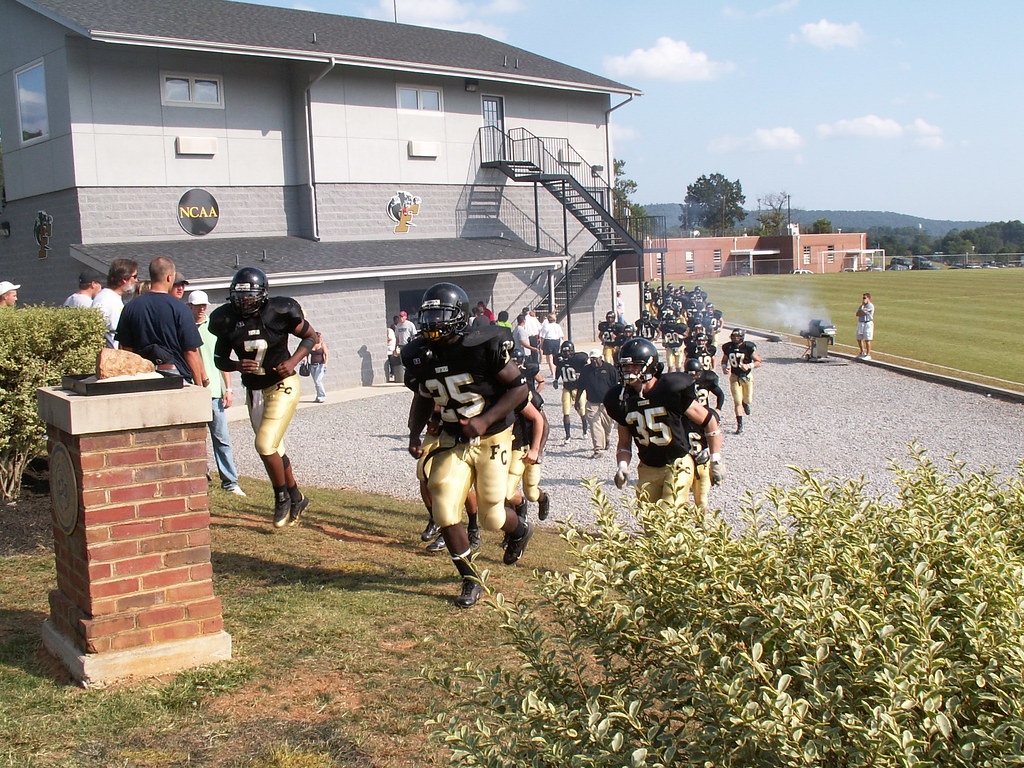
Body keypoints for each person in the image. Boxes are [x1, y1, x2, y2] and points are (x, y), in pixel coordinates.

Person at [402, 282, 533, 609]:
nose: (432, 322)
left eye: (440, 315)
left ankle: (519, 531)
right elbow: (422, 397)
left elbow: (519, 390)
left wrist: (484, 421)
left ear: (458, 317)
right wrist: (414, 434)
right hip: (453, 438)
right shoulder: (419, 354)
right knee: (443, 501)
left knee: (491, 515)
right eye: (428, 315)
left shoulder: (481, 345)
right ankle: (469, 577)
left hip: (493, 436)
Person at [209, 266, 317, 529]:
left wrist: (292, 362)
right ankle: (296, 497)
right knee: (274, 448)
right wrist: (236, 366)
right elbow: (219, 358)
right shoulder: (225, 319)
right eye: (240, 296)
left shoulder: (280, 311)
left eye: (250, 296)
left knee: (265, 444)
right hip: (254, 390)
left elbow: (311, 337)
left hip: (282, 384)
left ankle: (280, 497)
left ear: (263, 295)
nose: (244, 301)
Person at [606, 337, 724, 507]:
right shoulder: (620, 399)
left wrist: (715, 458)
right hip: (647, 467)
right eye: (626, 366)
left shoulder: (670, 389)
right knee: (650, 522)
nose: (629, 371)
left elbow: (709, 420)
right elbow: (624, 442)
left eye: (635, 366)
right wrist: (622, 466)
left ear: (650, 365)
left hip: (677, 463)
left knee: (667, 515)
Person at [187, 290, 246, 497]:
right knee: (195, 438)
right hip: (193, 393)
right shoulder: (184, 328)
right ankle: (201, 475)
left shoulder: (213, 328)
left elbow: (222, 361)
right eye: (198, 305)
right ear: (190, 306)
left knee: (222, 438)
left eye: (205, 305)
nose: (202, 309)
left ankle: (230, 481)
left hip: (214, 394)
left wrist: (228, 389)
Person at [117, 257, 205, 386]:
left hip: (142, 376)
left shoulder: (130, 307)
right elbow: (191, 351)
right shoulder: (180, 309)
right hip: (176, 376)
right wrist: (199, 385)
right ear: (170, 277)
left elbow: (125, 349)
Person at [575, 348, 619, 459]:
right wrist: (577, 400)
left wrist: (617, 400)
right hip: (592, 403)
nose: (594, 361)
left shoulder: (610, 369)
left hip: (607, 402)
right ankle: (598, 449)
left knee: (607, 426)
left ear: (601, 358)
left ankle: (606, 439)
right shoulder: (586, 370)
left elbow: (616, 386)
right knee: (594, 425)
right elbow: (580, 387)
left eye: (596, 359)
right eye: (592, 359)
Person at [720, 328, 762, 435]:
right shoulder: (728, 347)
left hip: (746, 377)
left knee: (748, 399)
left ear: (742, 337)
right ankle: (739, 424)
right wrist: (724, 367)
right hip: (734, 377)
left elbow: (758, 362)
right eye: (733, 336)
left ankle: (746, 403)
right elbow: (724, 360)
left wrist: (749, 365)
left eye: (737, 336)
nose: (734, 338)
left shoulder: (748, 347)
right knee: (737, 401)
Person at [92, 258, 138, 347]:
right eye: (135, 276)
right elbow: (96, 331)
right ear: (124, 279)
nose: (136, 280)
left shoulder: (115, 298)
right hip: (110, 357)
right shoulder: (104, 299)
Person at [554, 340, 589, 444]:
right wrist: (556, 379)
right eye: (564, 352)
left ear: (572, 351)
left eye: (568, 352)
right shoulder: (560, 359)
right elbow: (559, 368)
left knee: (581, 410)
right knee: (566, 412)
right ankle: (568, 436)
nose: (566, 354)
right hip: (566, 388)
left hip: (578, 388)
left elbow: (584, 357)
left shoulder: (577, 359)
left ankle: (585, 430)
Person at [538, 312, 563, 380]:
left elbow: (542, 336)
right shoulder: (557, 326)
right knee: (555, 357)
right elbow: (561, 336)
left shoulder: (546, 326)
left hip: (548, 341)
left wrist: (541, 345)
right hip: (556, 341)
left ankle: (553, 373)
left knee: (549, 358)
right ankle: (555, 371)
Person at [309, 332, 328, 402]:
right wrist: (304, 359)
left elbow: (326, 354)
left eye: (321, 337)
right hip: (312, 366)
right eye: (319, 337)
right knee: (316, 382)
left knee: (318, 381)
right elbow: (306, 353)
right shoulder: (311, 345)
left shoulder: (322, 345)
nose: (320, 339)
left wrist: (326, 364)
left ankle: (322, 397)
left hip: (320, 365)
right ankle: (318, 397)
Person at [856, 292, 875, 360]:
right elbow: (857, 314)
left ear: (868, 298)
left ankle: (868, 354)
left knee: (867, 339)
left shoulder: (870, 306)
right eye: (863, 298)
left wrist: (862, 308)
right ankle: (862, 352)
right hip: (861, 323)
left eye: (864, 298)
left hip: (867, 323)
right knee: (859, 338)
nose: (863, 299)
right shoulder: (862, 305)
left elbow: (863, 313)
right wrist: (862, 307)